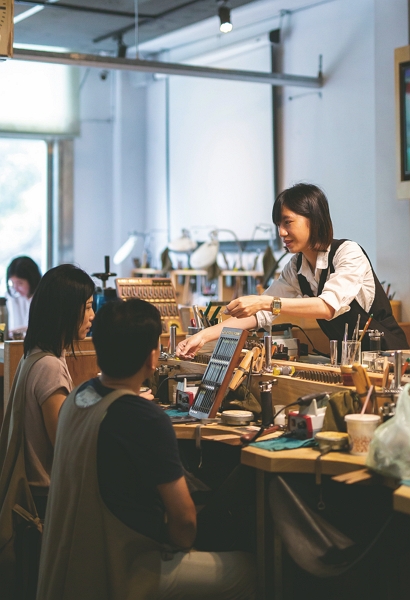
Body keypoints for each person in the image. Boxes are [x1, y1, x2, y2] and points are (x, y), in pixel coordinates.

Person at [36, 299, 256, 600]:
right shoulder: (143, 418)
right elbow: (185, 523)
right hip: (120, 571)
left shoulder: (79, 396)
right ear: (153, 357)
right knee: (249, 570)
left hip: (69, 565)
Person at [177, 183, 408, 358]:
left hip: (390, 357)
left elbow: (327, 307)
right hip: (352, 361)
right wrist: (202, 336)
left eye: (288, 222)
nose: (281, 232)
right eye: (279, 224)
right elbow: (259, 315)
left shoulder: (348, 253)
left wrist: (265, 302)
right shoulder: (296, 267)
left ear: (313, 220)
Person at [0, 264, 95, 600]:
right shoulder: (50, 366)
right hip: (43, 502)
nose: (93, 316)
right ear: (65, 310)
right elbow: (65, 445)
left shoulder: (33, 357)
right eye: (87, 307)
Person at [5, 256, 42, 337]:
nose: (15, 288)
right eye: (12, 283)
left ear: (32, 280)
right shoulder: (10, 297)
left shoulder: (43, 298)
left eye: (20, 283)